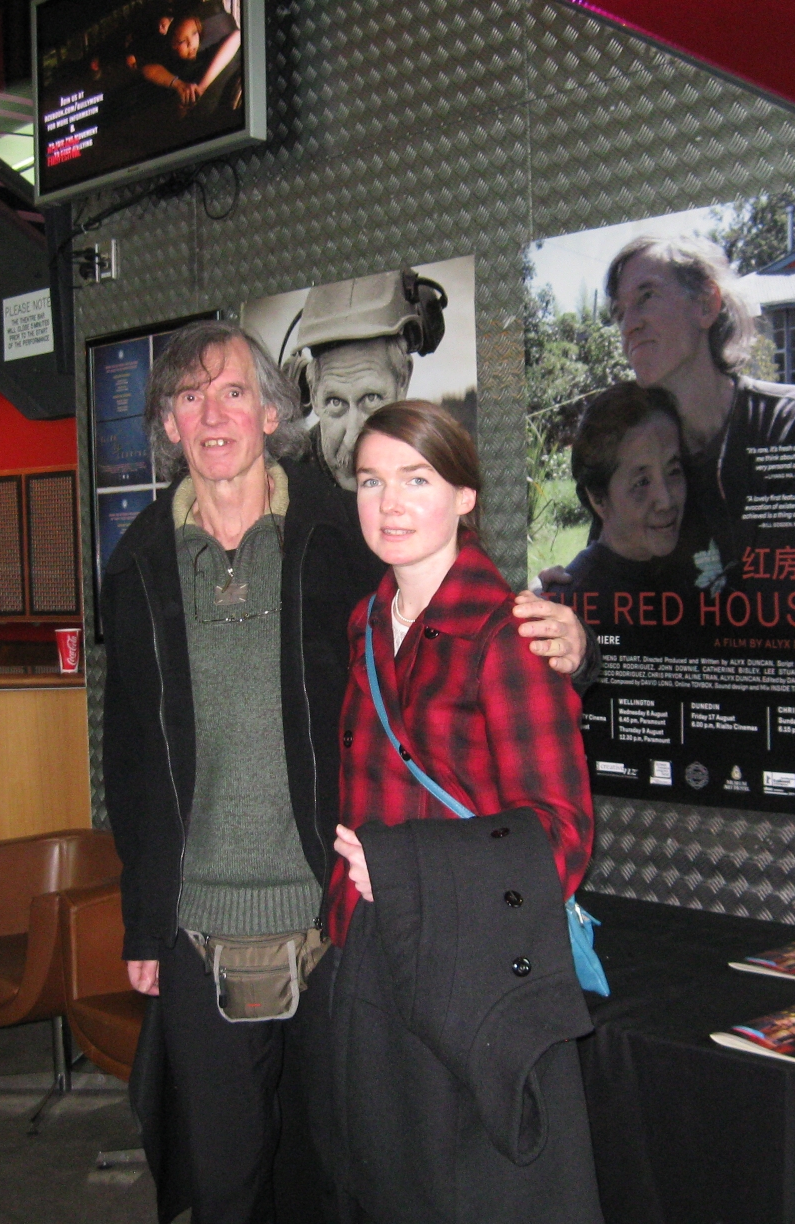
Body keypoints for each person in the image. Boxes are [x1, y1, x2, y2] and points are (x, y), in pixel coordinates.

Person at [100, 322, 591, 1224]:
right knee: (226, 1183)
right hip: (206, 924)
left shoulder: (339, 537)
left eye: (234, 392)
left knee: (338, 1175)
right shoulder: (135, 566)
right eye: (190, 398)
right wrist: (143, 917)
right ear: (168, 424)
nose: (214, 415)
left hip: (338, 925)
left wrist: (568, 646)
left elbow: (461, 607)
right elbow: (129, 753)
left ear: (271, 413)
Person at [327, 401, 603, 1223]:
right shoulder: (366, 621)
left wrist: (406, 867)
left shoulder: (511, 632)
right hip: (369, 953)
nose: (390, 503)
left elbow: (563, 837)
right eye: (371, 482)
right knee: (386, 1188)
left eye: (417, 479)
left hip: (471, 971)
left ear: (465, 496)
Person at [604, 235, 795, 595]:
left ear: (706, 305)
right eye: (619, 313)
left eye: (646, 297)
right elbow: (608, 574)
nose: (629, 326)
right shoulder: (629, 444)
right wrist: (561, 590)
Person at [282, 268, 449, 489]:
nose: (352, 439)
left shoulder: (440, 467)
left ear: (403, 381)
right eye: (335, 402)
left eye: (371, 399)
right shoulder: (282, 486)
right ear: (313, 393)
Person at [549, 380, 696, 608]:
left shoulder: (692, 569)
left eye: (673, 471)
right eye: (642, 482)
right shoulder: (572, 607)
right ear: (598, 499)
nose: (666, 501)